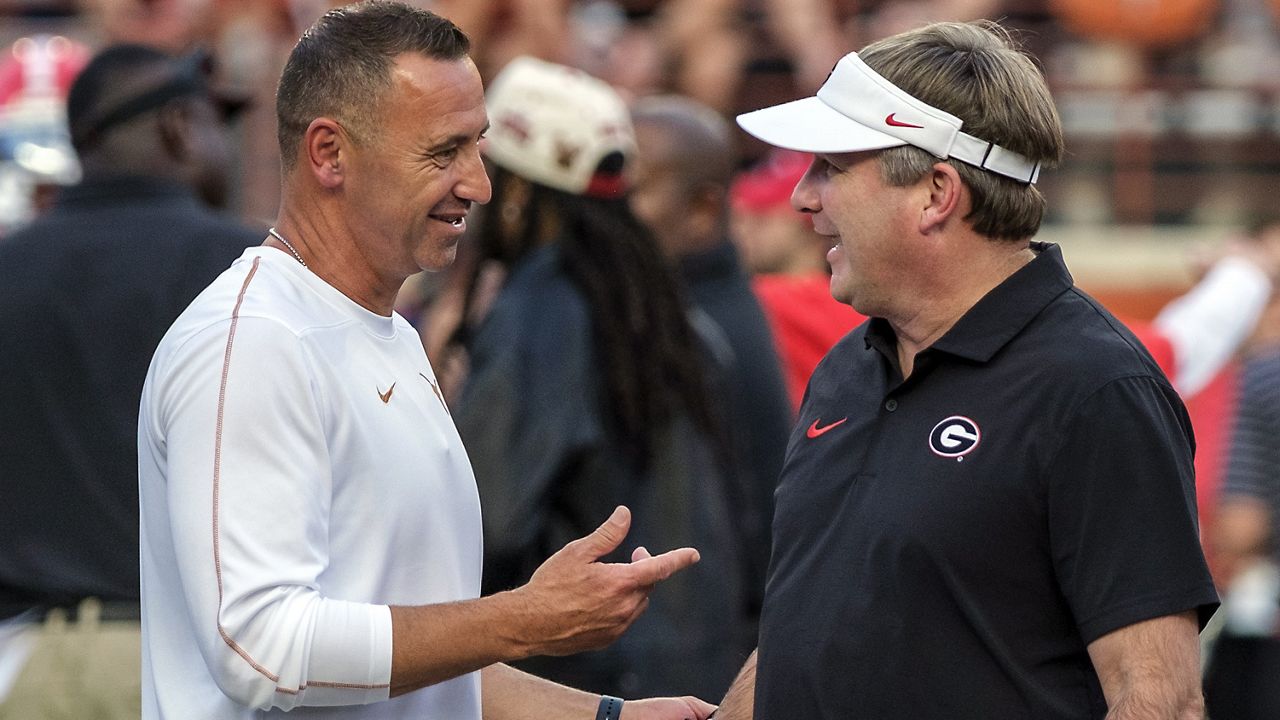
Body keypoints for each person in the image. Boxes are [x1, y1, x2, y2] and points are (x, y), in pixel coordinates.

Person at [136, 3, 714, 719]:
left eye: (477, 146)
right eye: (443, 153)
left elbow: (419, 659)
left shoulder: (389, 335)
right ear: (328, 153)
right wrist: (523, 619)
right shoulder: (251, 340)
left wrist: (608, 716)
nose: (479, 184)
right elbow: (262, 651)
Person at [715, 20, 1218, 719]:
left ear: (936, 192)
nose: (802, 198)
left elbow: (1159, 700)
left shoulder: (1094, 388)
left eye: (830, 168)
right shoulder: (848, 367)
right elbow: (805, 622)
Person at [448, 55, 753, 702]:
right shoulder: (661, 305)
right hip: (693, 672)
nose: (469, 190)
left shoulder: (543, 306)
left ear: (521, 190)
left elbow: (482, 521)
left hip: (589, 680)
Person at [0, 42, 262, 718]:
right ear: (178, 127)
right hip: (213, 669)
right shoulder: (255, 270)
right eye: (213, 123)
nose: (221, 147)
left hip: (31, 664)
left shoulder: (8, 269)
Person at [628, 94, 792, 616]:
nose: (605, 207)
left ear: (701, 209)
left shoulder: (701, 336)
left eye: (632, 188)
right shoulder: (676, 312)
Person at [728, 149, 864, 411]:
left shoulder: (762, 298)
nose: (741, 228)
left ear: (806, 220)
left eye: (760, 217)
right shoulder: (862, 298)